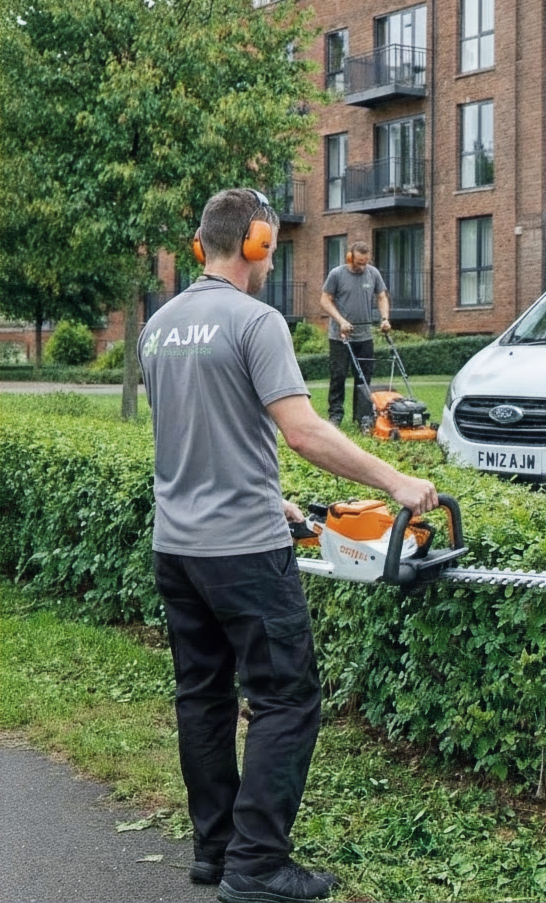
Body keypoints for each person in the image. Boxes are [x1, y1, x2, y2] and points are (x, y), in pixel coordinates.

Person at [139, 189, 437, 903]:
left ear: (198, 245)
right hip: (241, 551)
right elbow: (303, 432)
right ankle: (258, 865)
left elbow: (191, 432)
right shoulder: (256, 320)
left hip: (176, 547)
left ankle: (215, 852)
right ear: (259, 244)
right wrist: (396, 478)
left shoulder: (159, 325)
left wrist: (266, 491)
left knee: (202, 697)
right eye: (270, 244)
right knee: (287, 698)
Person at [319, 242, 391, 429]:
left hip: (364, 335)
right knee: (339, 375)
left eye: (365, 262)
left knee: (364, 377)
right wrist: (341, 320)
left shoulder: (373, 273)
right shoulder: (337, 274)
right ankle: (335, 415)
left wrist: (385, 318)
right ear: (350, 257)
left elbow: (382, 296)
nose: (362, 266)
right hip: (340, 336)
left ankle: (362, 417)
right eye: (359, 262)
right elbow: (325, 300)